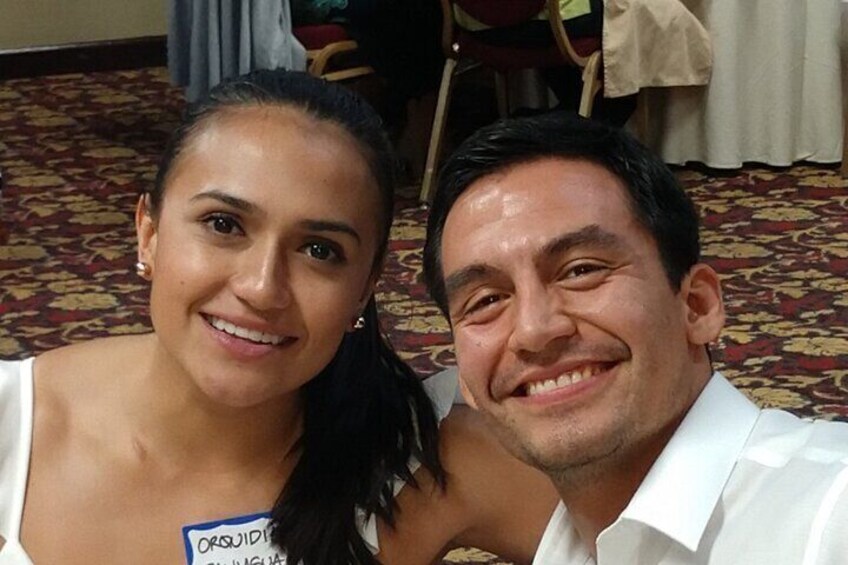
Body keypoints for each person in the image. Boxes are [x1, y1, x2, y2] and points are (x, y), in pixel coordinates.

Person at [0, 70, 557, 564]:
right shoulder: (14, 428)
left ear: (365, 288)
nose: (262, 288)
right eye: (223, 225)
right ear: (148, 232)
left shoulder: (420, 462)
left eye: (319, 250)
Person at [422, 113, 848, 563]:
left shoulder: (828, 515)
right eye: (486, 301)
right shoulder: (570, 548)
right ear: (465, 378)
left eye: (581, 271)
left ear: (697, 306)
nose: (534, 330)